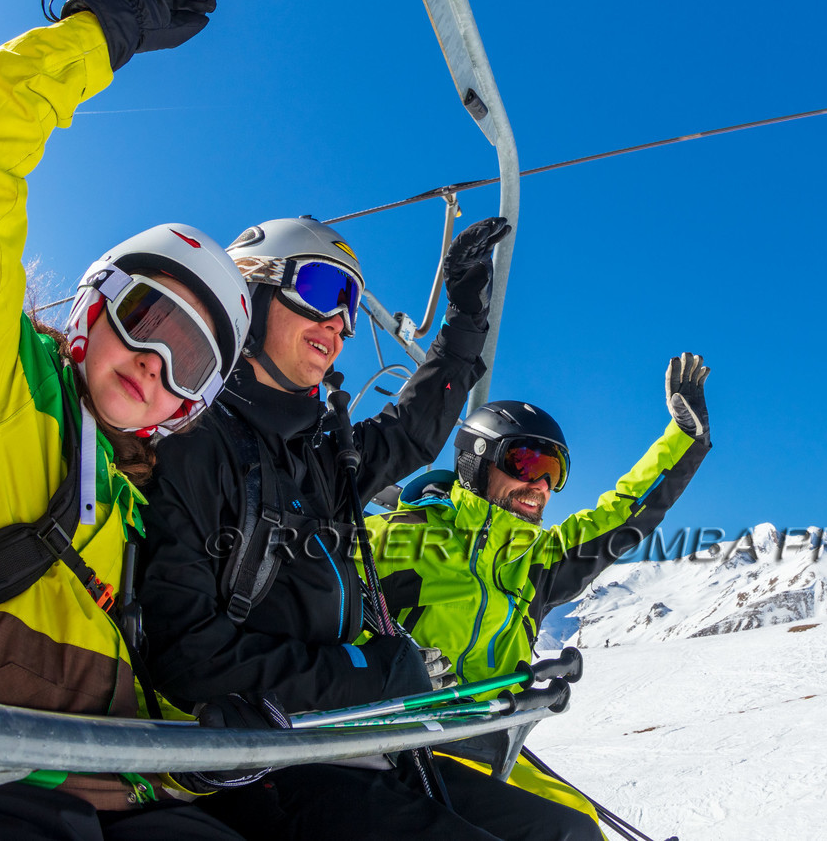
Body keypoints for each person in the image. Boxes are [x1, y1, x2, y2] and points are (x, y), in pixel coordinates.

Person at [0, 0, 254, 839]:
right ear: (95, 306)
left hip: (105, 789)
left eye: (189, 363)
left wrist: (216, 748)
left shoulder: (133, 516)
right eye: (147, 319)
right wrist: (106, 30)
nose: (152, 365)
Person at [136, 213, 534, 840]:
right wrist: (366, 674)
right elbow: (185, 655)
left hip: (351, 739)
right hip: (262, 762)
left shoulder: (320, 456)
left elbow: (414, 430)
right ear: (254, 292)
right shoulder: (194, 441)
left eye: (350, 304)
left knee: (562, 833)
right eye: (324, 290)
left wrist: (464, 320)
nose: (341, 322)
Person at [365, 353, 713, 834]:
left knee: (581, 825)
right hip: (385, 740)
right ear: (476, 462)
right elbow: (314, 605)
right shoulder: (398, 538)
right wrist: (388, 662)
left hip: (483, 740)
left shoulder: (536, 561)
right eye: (526, 462)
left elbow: (623, 513)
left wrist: (685, 439)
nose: (540, 485)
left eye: (554, 472)